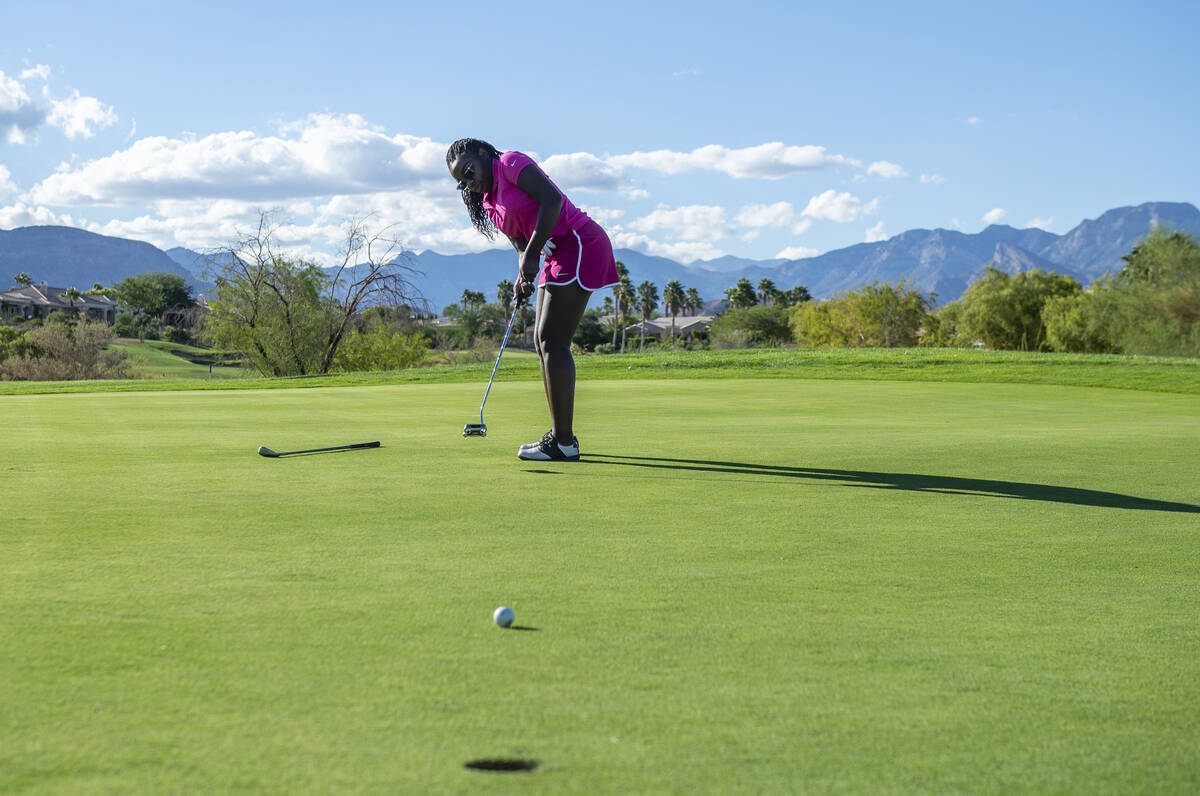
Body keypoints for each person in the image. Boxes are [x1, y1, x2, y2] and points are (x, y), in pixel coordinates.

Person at [447, 138, 618, 462]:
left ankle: (563, 442)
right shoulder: (488, 202)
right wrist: (523, 271)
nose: (470, 181)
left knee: (552, 340)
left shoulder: (510, 163)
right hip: (555, 255)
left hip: (578, 242)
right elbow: (520, 244)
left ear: (483, 154)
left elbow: (551, 201)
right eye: (463, 182)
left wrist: (534, 252)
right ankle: (560, 438)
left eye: (469, 171)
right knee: (543, 343)